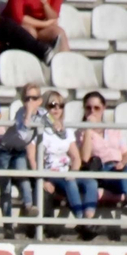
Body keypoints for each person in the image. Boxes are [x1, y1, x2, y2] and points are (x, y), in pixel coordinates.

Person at [77, 91, 127, 241]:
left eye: (96, 108)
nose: (92, 111)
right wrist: (88, 129)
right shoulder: (82, 132)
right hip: (102, 170)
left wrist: (123, 162)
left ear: (103, 108)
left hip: (119, 167)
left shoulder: (114, 130)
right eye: (88, 108)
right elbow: (85, 157)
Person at [36, 90, 95, 238]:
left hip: (66, 171)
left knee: (91, 183)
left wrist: (72, 172)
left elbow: (76, 157)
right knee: (70, 182)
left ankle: (88, 220)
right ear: (45, 107)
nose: (57, 109)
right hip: (51, 172)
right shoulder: (40, 129)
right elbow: (35, 158)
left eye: (60, 105)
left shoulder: (67, 130)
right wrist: (42, 179)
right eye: (53, 105)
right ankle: (81, 222)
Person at [0, 83, 42, 231]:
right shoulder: (20, 112)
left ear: (40, 100)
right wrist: (28, 114)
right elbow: (22, 133)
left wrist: (57, 125)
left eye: (34, 98)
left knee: (23, 178)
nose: (30, 102)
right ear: (23, 101)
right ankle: (8, 225)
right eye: (27, 98)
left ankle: (29, 206)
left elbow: (56, 128)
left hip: (18, 151)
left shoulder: (42, 113)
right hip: (4, 150)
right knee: (6, 188)